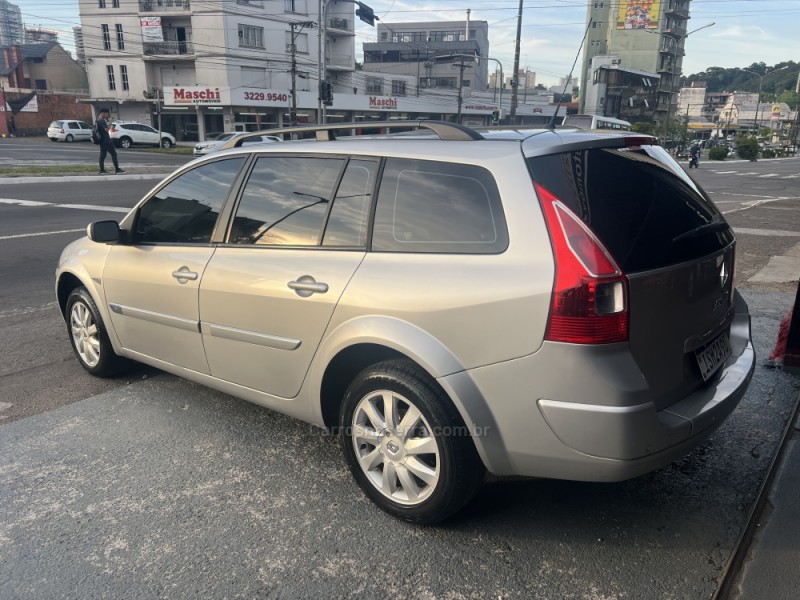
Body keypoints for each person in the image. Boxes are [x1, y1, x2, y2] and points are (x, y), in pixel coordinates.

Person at [95, 108, 124, 175]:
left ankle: (102, 170)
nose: (107, 115)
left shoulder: (97, 120)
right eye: (106, 113)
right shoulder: (101, 121)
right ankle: (117, 169)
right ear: (103, 113)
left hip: (102, 141)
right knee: (114, 154)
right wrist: (110, 122)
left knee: (103, 155)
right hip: (106, 140)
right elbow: (106, 129)